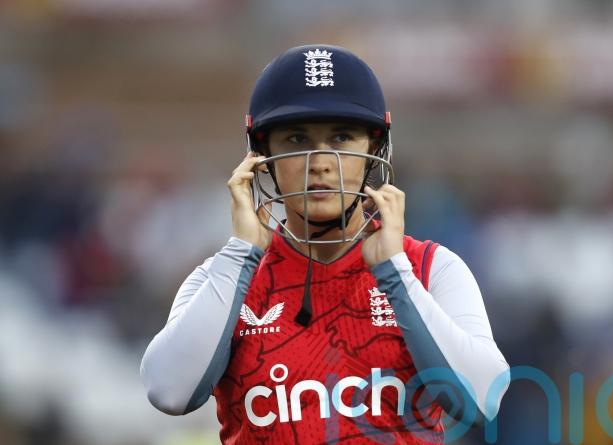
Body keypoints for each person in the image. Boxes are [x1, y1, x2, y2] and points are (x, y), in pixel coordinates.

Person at [140, 44, 510, 444]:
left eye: (342, 137)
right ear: (261, 157)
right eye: (296, 139)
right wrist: (240, 254)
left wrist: (395, 274)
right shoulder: (223, 277)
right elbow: (170, 392)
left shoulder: (431, 268)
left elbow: (481, 400)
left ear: (374, 149)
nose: (319, 162)